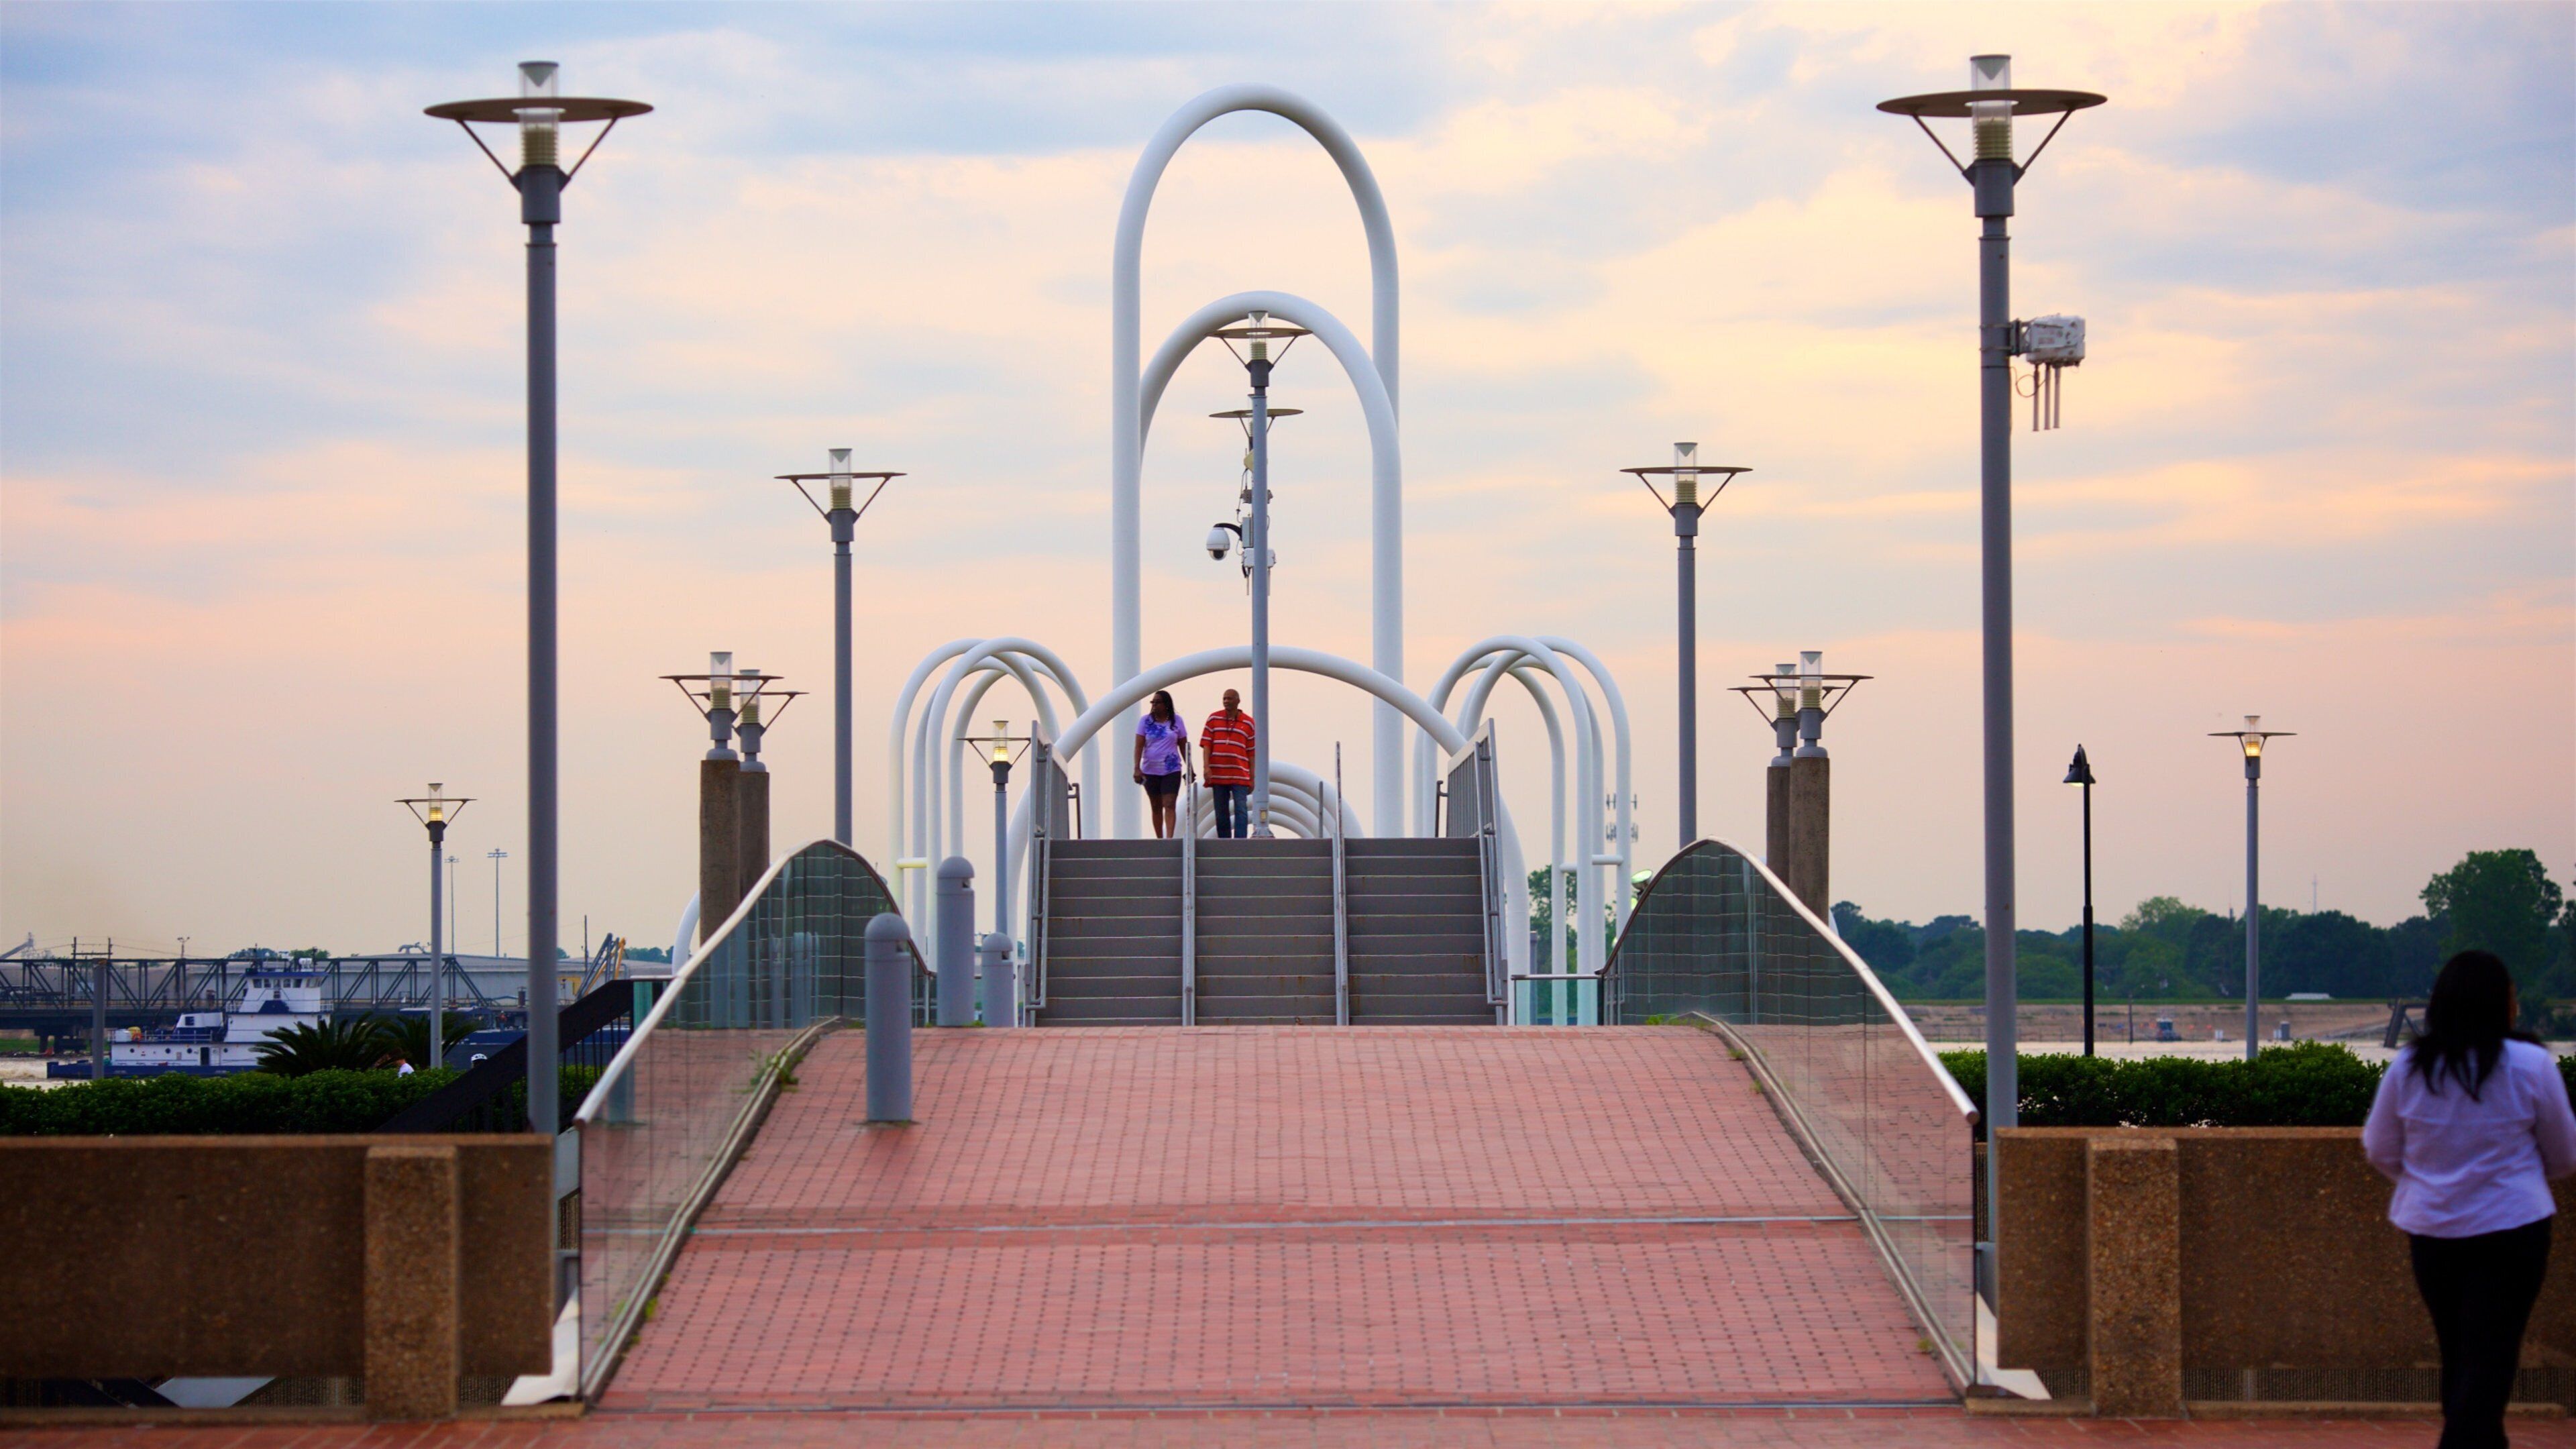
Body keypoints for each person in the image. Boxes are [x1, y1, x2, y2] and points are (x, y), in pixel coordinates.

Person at [2363, 949, 2576, 1449]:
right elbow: (2564, 1154)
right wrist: (2518, 1179)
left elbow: (2380, 1147)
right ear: (2502, 1004)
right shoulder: (2531, 1065)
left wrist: (2425, 1179)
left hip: (2433, 1232)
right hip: (2514, 1230)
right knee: (2492, 1354)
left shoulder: (2411, 1067)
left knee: (2459, 1351)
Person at [1132, 689, 1193, 839]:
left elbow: (1183, 745)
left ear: (1166, 705)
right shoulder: (1145, 721)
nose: (1154, 705)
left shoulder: (1176, 721)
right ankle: (1159, 838)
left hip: (1172, 770)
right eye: (1153, 702)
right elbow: (1139, 746)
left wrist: (1190, 767)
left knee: (1170, 803)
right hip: (1150, 770)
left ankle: (1169, 838)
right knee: (1156, 805)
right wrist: (1136, 768)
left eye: (1157, 702)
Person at [1201, 688, 1257, 839]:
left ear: (1238, 701)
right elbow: (1207, 744)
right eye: (1224, 698)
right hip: (1218, 774)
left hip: (1240, 774)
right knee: (1221, 811)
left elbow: (1251, 752)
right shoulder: (1213, 719)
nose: (1226, 701)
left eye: (1230, 699)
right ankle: (1224, 842)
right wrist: (1206, 767)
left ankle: (1240, 842)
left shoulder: (1248, 723)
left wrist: (1252, 777)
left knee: (1241, 809)